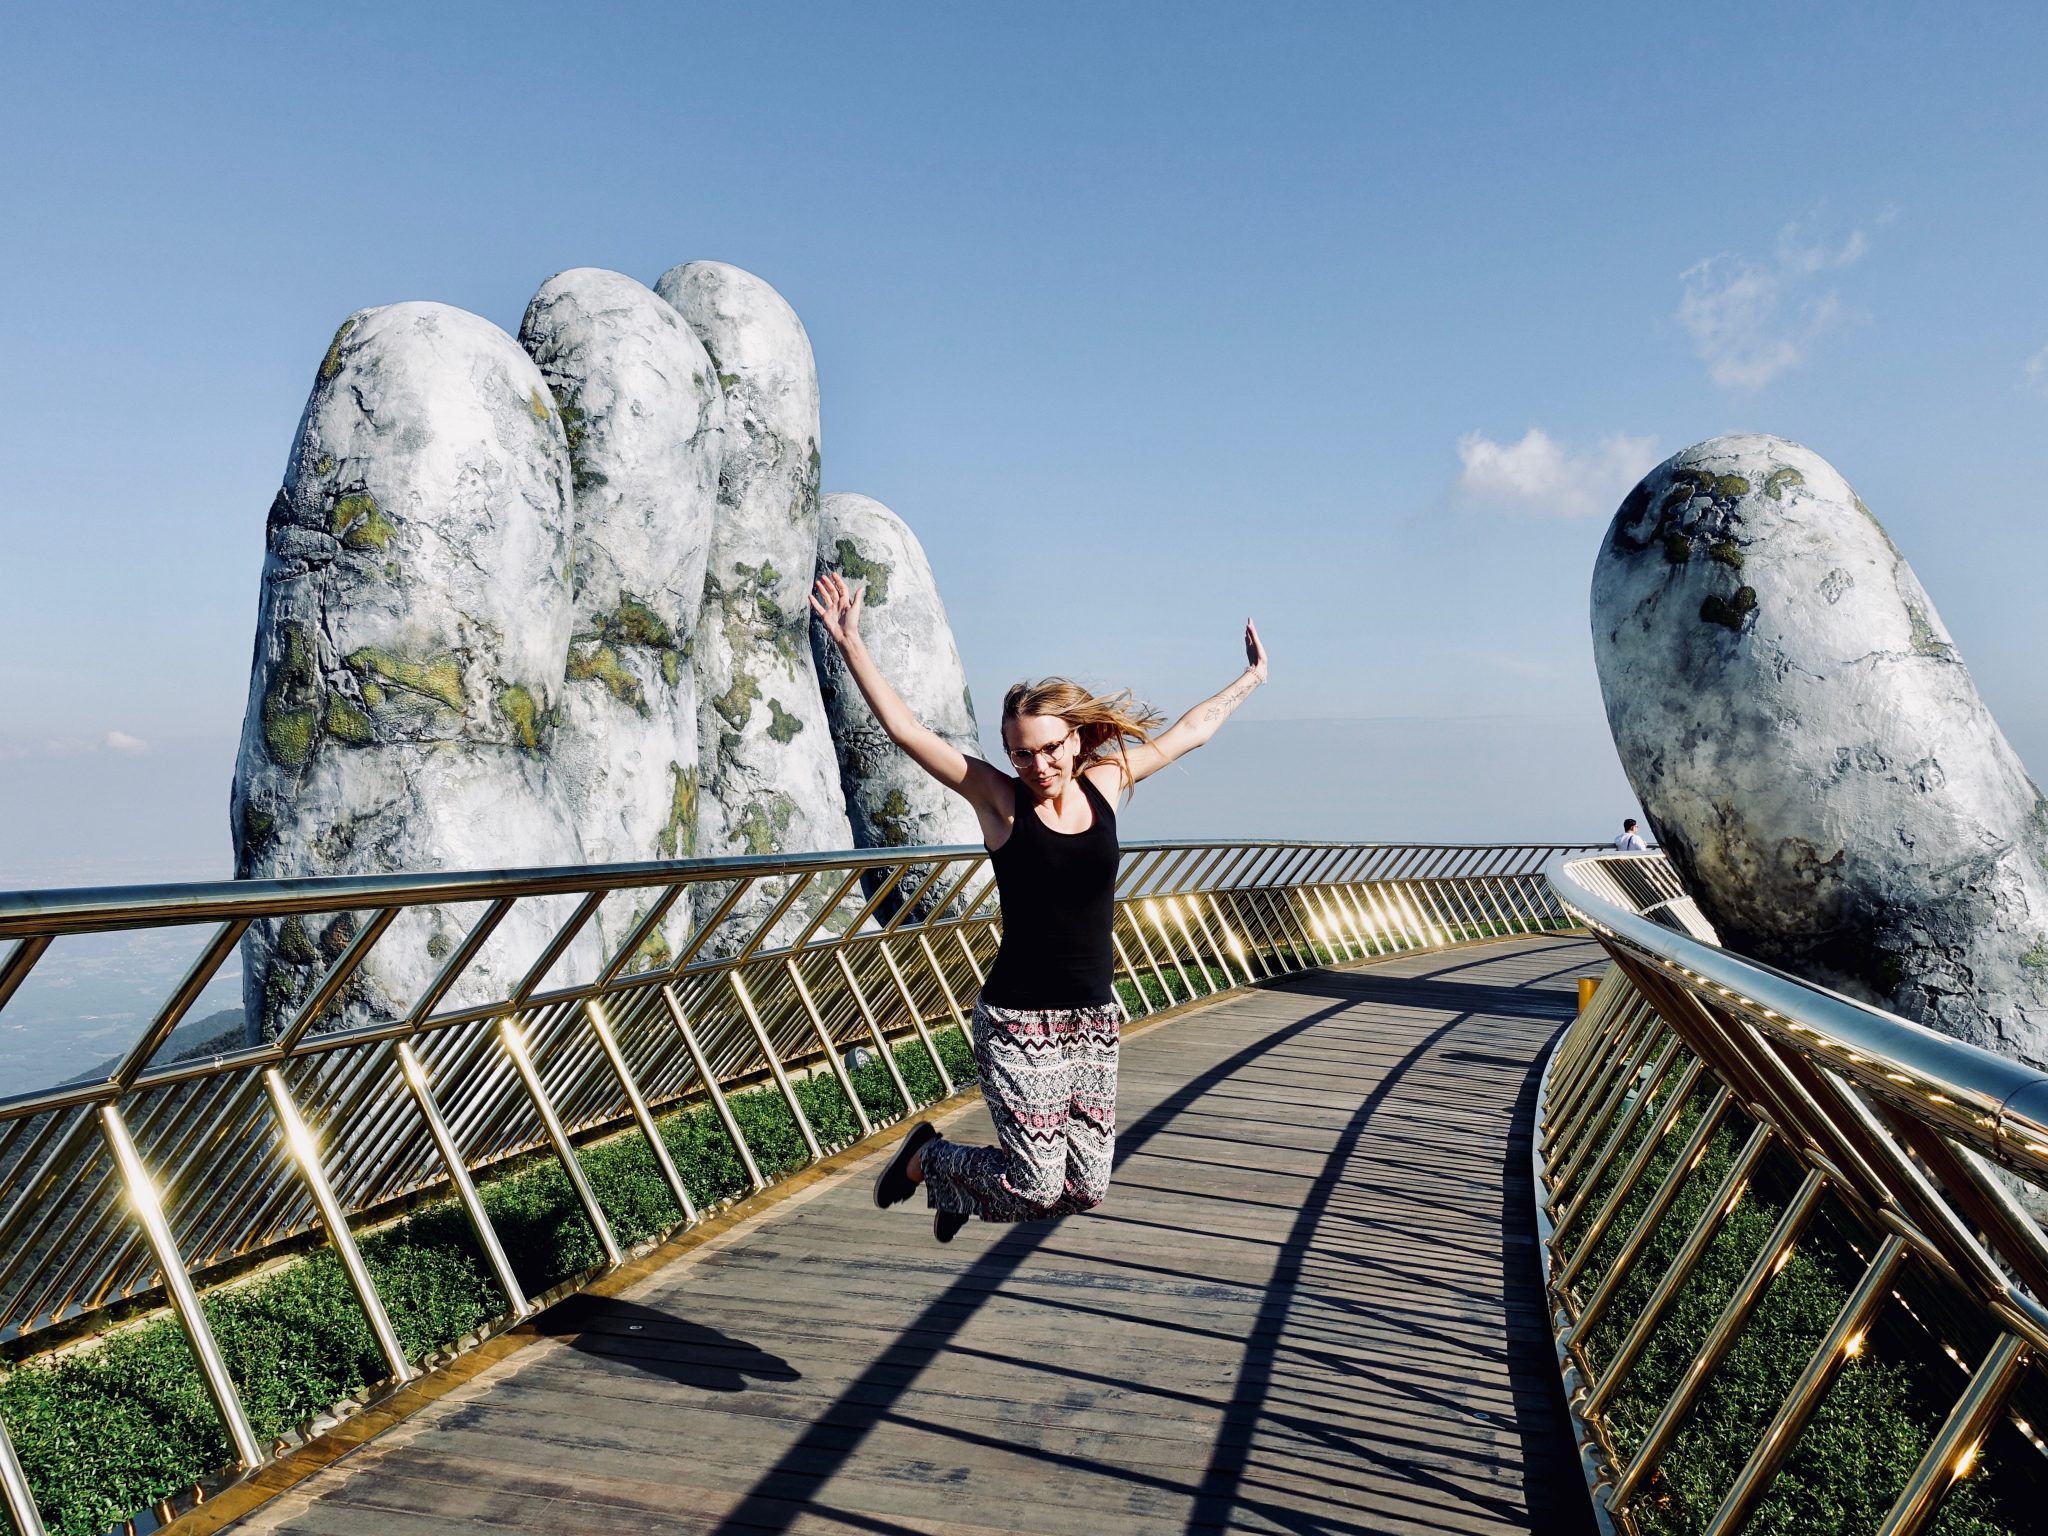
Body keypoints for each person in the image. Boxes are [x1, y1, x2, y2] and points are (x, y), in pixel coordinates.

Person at [809, 571, 1269, 1241]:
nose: (1037, 764)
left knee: (1086, 1190)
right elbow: (908, 732)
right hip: (1019, 1019)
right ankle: (925, 1159)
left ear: (1076, 739)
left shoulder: (1107, 781)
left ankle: (956, 1188)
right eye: (1021, 753)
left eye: (1049, 748)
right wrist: (852, 644)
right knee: (1033, 1184)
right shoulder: (1000, 800)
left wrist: (1253, 677)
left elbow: (1190, 731)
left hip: (1092, 1019)